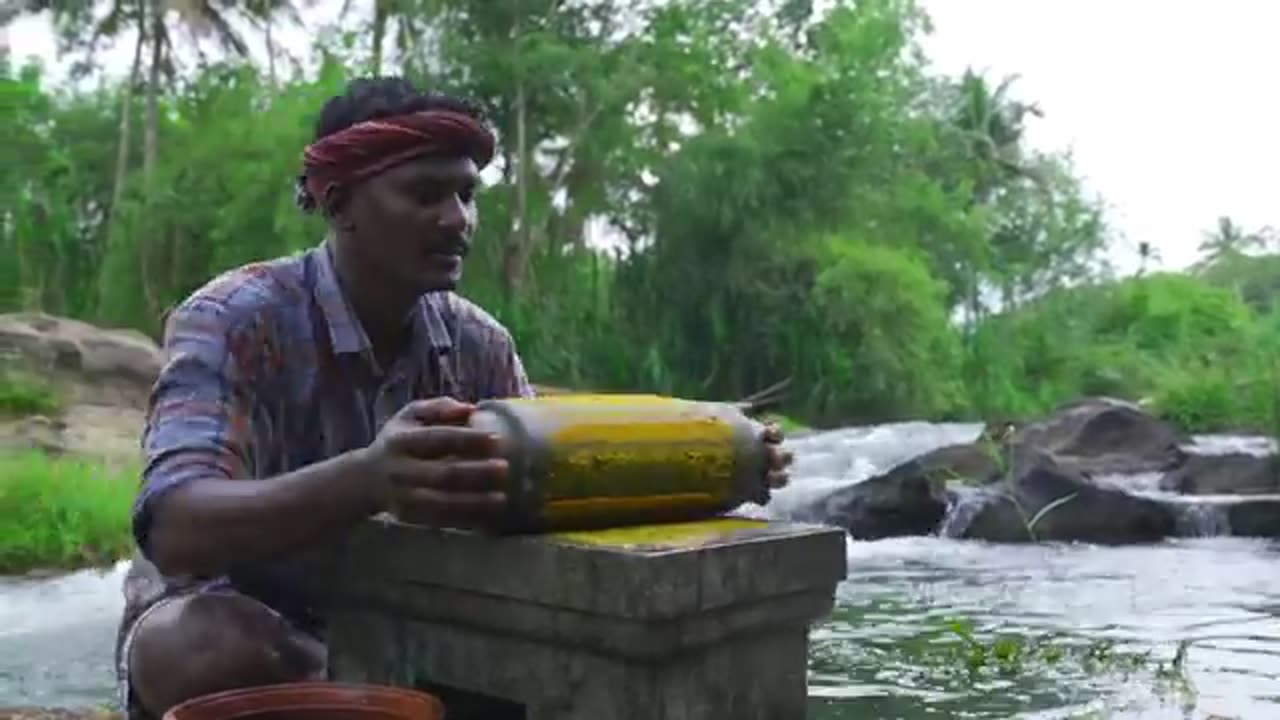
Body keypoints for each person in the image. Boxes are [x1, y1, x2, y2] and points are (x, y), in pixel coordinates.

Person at [114, 76, 793, 720]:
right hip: (244, 626)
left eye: (467, 195)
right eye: (425, 194)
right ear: (340, 201)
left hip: (411, 625)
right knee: (207, 644)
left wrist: (723, 463)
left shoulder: (478, 343)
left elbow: (555, 496)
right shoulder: (237, 319)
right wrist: (370, 478)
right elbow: (176, 525)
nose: (456, 219)